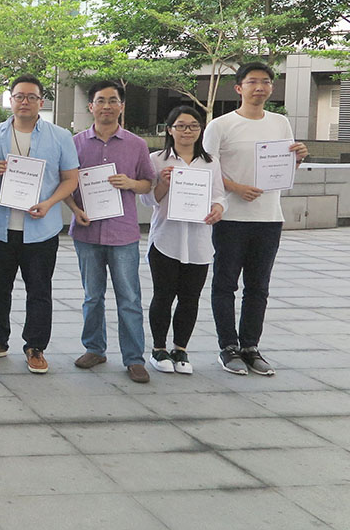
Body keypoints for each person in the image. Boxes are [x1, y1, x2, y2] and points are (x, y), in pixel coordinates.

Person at [203, 62, 306, 376]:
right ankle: (228, 347)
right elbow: (206, 169)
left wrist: (297, 159)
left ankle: (251, 346)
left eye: (265, 82)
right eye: (252, 82)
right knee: (225, 285)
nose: (259, 87)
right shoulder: (220, 126)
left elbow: (284, 172)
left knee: (258, 287)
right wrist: (235, 187)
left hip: (268, 218)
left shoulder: (280, 124)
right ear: (239, 88)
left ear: (272, 87)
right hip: (231, 218)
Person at [0, 75, 79, 374]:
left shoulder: (59, 136)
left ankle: (35, 346)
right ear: (11, 100)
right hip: (0, 226)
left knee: (40, 290)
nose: (25, 101)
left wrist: (48, 203)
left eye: (31, 97)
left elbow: (71, 178)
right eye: (19, 96)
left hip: (40, 228)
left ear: (41, 102)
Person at [63, 81, 157, 383]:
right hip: (87, 232)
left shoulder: (136, 145)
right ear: (91, 106)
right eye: (100, 101)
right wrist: (75, 210)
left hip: (123, 233)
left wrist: (131, 184)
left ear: (121, 106)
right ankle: (95, 348)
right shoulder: (75, 143)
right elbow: (63, 184)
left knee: (129, 298)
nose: (106, 106)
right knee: (92, 296)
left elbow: (148, 183)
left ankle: (133, 358)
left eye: (112, 101)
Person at [141, 105, 225, 374]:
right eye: (180, 125)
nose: (187, 130)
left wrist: (218, 209)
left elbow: (219, 195)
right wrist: (163, 184)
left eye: (193, 126)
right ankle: (158, 349)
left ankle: (181, 349)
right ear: (169, 129)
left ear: (200, 130)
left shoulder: (210, 162)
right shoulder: (157, 160)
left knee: (190, 298)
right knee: (163, 296)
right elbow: (146, 200)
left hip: (199, 241)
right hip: (166, 238)